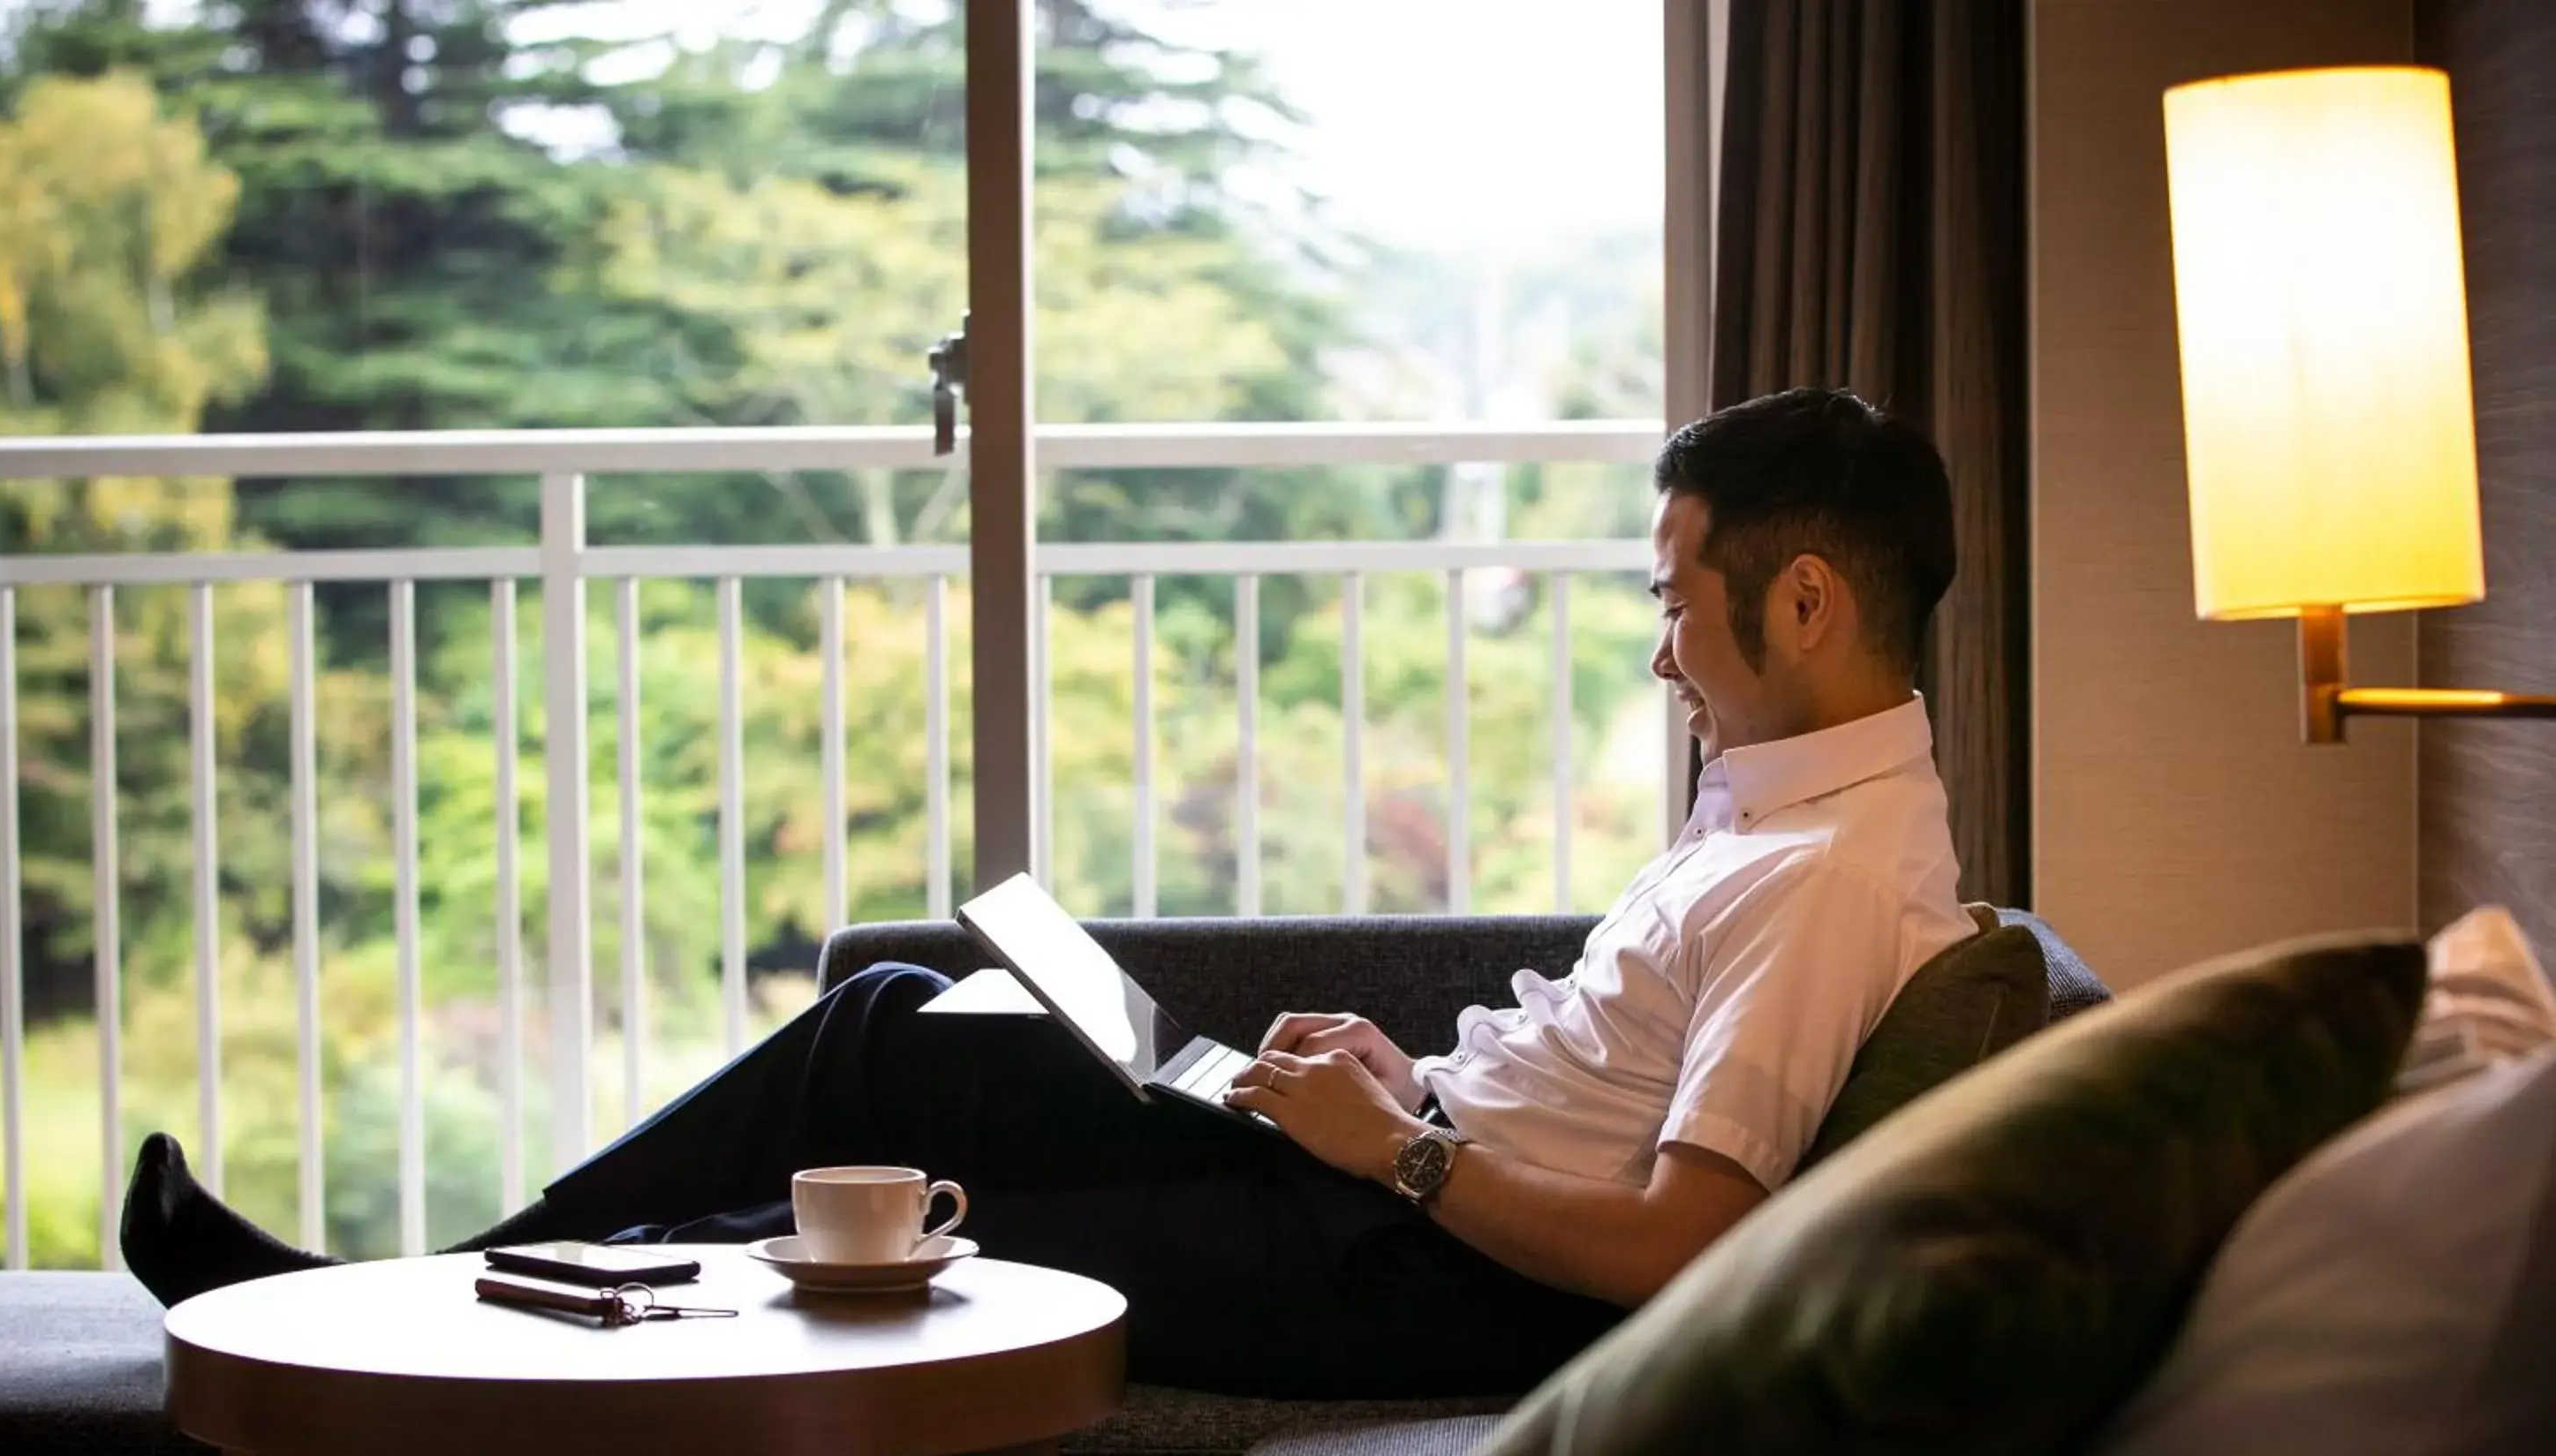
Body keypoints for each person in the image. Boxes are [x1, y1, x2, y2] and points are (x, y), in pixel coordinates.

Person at [121, 387, 1977, 1399]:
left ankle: (403, 1337)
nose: (1660, 648)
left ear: (1801, 601)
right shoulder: (1770, 809)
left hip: (1420, 1266)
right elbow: (1605, 1089)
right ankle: (409, 1299)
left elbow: (1687, 1246)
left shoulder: (1830, 878)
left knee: (907, 1228)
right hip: (1397, 1175)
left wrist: (1400, 1157)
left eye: (1672, 597)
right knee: (882, 1027)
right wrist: (1402, 1081)